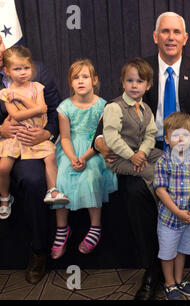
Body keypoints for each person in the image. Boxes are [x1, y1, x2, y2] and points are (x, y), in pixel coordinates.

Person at [93, 12, 190, 300]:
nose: (171, 37)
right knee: (136, 192)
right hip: (148, 153)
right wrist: (100, 141)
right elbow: (114, 112)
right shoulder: (141, 69)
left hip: (189, 153)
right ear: (155, 36)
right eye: (165, 31)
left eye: (177, 32)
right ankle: (151, 268)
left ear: (185, 38)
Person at [0, 36, 61, 285]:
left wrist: (47, 133)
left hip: (34, 143)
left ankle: (38, 251)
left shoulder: (38, 73)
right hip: (6, 143)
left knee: (34, 179)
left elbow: (56, 109)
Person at [50, 59, 117, 259]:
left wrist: (85, 157)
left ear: (94, 80)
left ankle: (95, 226)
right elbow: (66, 137)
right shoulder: (65, 107)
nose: (81, 81)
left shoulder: (103, 106)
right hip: (70, 148)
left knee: (91, 176)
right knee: (61, 177)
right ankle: (62, 228)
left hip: (94, 149)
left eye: (85, 76)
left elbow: (100, 137)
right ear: (70, 82)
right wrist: (72, 158)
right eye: (76, 77)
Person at [0, 46, 68, 222]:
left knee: (47, 161)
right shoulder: (6, 94)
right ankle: (5, 198)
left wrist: (46, 132)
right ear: (7, 71)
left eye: (26, 68)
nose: (23, 72)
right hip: (12, 139)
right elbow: (22, 113)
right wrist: (36, 108)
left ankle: (52, 191)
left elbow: (48, 110)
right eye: (17, 69)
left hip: (36, 136)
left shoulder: (37, 85)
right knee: (3, 168)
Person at [154, 112, 190, 300]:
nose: (181, 139)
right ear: (166, 139)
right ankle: (169, 283)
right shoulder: (163, 161)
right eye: (175, 135)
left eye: (185, 135)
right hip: (169, 218)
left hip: (188, 218)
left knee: (182, 250)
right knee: (168, 253)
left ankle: (179, 279)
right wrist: (177, 212)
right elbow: (160, 190)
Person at [102, 57, 162, 193]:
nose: (134, 85)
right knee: (153, 173)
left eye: (139, 81)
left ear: (148, 86)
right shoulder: (114, 107)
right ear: (123, 83)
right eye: (130, 81)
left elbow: (150, 134)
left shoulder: (146, 108)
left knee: (168, 160)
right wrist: (132, 156)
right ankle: (165, 208)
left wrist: (142, 152)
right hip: (119, 157)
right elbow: (112, 138)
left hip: (140, 152)